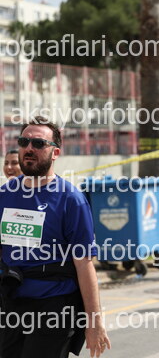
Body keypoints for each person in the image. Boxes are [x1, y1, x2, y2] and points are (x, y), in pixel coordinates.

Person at [0, 117, 110, 357]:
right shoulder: (5, 194)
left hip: (54, 306)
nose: (29, 148)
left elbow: (84, 264)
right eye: (24, 142)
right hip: (11, 303)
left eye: (39, 143)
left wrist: (94, 322)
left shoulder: (71, 199)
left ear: (55, 153)